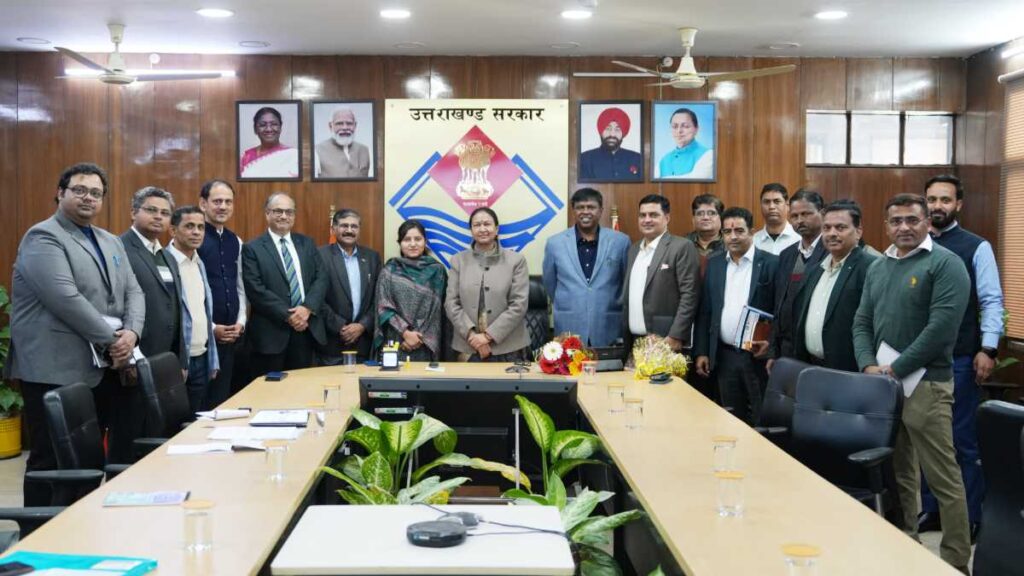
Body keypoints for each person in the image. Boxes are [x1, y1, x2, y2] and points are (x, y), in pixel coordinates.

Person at [6, 163, 144, 504]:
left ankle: (79, 525)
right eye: (79, 190)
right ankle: (36, 531)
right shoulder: (43, 236)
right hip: (54, 368)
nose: (88, 198)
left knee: (88, 460)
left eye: (96, 193)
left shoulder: (110, 240)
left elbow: (134, 291)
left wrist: (132, 334)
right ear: (60, 192)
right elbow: (64, 298)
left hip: (100, 367)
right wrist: (114, 340)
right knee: (50, 461)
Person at [852, 193, 972, 573]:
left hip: (927, 386)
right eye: (896, 221)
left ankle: (955, 561)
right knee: (901, 472)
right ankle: (908, 548)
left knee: (943, 478)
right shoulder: (880, 266)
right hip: (885, 387)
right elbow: (862, 321)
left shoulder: (946, 264)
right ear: (886, 226)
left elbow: (941, 330)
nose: (903, 227)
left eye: (912, 220)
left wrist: (896, 368)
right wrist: (868, 364)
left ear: (927, 223)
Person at [918, 174, 1004, 539]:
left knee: (961, 439)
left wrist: (988, 348)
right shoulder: (915, 244)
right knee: (925, 437)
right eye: (932, 199)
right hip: (917, 362)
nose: (937, 206)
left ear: (959, 205)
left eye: (945, 199)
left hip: (960, 358)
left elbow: (991, 300)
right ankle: (932, 510)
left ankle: (969, 514)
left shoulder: (976, 246)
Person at [694, 207, 778, 425]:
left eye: (739, 231)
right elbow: (705, 311)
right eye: (727, 231)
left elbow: (781, 311)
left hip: (756, 356)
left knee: (761, 417)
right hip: (725, 355)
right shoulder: (715, 264)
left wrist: (771, 345)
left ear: (752, 232)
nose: (733, 237)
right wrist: (702, 351)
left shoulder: (771, 263)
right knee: (731, 418)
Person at [120, 186, 185, 462]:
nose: (159, 217)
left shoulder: (167, 255)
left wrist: (180, 359)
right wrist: (130, 357)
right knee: (129, 436)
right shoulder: (120, 248)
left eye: (165, 213)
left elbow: (177, 308)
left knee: (157, 436)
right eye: (151, 210)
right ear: (133, 212)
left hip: (164, 361)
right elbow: (116, 306)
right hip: (136, 358)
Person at [242, 193, 328, 375]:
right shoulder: (252, 248)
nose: (284, 216)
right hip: (271, 333)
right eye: (278, 211)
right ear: (267, 214)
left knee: (301, 386)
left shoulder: (307, 243)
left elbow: (321, 278)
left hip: (306, 330)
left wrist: (307, 308)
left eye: (289, 212)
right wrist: (290, 316)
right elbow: (255, 289)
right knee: (270, 387)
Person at [793, 200, 877, 372]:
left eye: (840, 227)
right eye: (827, 228)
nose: (832, 233)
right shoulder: (815, 269)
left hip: (850, 370)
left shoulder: (871, 267)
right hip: (812, 366)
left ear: (858, 231)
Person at [542, 188, 630, 347]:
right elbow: (550, 284)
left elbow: (626, 283)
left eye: (591, 207)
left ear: (601, 210)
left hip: (608, 325)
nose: (585, 212)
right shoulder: (555, 243)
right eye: (580, 207)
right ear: (573, 210)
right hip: (569, 325)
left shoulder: (620, 242)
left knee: (610, 364)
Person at [445, 207, 530, 362]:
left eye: (487, 224)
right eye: (477, 225)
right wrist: (472, 336)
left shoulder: (516, 261)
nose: (482, 229)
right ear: (471, 230)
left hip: (508, 347)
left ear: (496, 229)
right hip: (468, 346)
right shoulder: (458, 261)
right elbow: (451, 303)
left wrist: (487, 336)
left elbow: (519, 304)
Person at [623, 194, 701, 353]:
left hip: (666, 341)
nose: (647, 220)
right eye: (642, 215)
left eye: (653, 215)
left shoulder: (681, 247)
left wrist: (676, 335)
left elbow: (690, 295)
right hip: (634, 342)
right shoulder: (633, 249)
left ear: (667, 218)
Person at [197, 179, 247, 403]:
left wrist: (241, 322)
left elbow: (240, 287)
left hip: (232, 336)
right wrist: (212, 328)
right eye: (217, 201)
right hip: (202, 338)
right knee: (202, 402)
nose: (223, 206)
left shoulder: (235, 240)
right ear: (203, 204)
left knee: (223, 400)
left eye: (228, 202)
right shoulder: (193, 238)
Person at [166, 206, 220, 411]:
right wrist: (179, 361)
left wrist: (213, 359)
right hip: (176, 360)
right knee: (174, 422)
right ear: (173, 230)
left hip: (202, 356)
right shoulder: (163, 262)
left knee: (196, 419)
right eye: (189, 226)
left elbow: (204, 311)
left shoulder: (199, 262)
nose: (196, 232)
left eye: (200, 227)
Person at [373, 220, 447, 361]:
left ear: (425, 242)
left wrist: (418, 337)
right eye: (407, 240)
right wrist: (405, 333)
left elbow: (438, 312)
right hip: (396, 341)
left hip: (426, 343)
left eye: (418, 239)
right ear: (400, 243)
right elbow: (383, 307)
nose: (413, 244)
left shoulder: (437, 271)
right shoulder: (389, 270)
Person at [770, 189, 827, 363]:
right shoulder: (787, 254)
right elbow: (778, 305)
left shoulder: (832, 252)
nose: (800, 220)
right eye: (794, 216)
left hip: (817, 350)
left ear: (822, 213)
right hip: (787, 348)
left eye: (806, 214)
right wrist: (773, 351)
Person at [319, 209, 381, 363]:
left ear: (359, 230)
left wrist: (362, 325)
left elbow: (379, 297)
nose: (349, 230)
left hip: (363, 342)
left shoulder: (372, 257)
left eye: (354, 226)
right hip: (330, 343)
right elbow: (315, 297)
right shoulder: (320, 256)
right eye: (344, 226)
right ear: (333, 229)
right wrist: (340, 326)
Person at [578, 107, 642, 181]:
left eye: (617, 129)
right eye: (608, 128)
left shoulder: (637, 159)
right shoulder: (585, 159)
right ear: (601, 131)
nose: (612, 134)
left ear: (623, 133)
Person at [239, 107, 299, 178]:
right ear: (255, 129)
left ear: (280, 127)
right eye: (262, 125)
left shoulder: (294, 156)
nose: (268, 129)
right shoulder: (246, 157)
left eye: (274, 124)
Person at [315, 107, 371, 178]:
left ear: (355, 126)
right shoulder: (317, 151)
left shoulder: (364, 150)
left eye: (349, 123)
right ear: (330, 126)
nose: (345, 128)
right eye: (339, 123)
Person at [658, 108, 712, 179]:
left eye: (685, 126)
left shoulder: (708, 155)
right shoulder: (663, 160)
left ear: (696, 129)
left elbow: (696, 179)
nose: (679, 131)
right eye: (675, 126)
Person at [752, 183, 799, 255]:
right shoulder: (753, 242)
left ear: (788, 206)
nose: (771, 207)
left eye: (777, 201)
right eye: (767, 202)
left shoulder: (799, 239)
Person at [686, 194, 724, 260]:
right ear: (693, 219)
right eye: (700, 214)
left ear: (721, 218)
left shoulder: (730, 244)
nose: (705, 217)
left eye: (711, 213)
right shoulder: (683, 245)